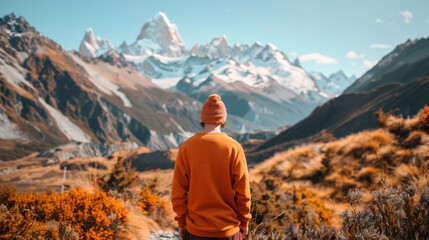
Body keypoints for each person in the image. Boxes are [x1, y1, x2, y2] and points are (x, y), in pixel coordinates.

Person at [171, 94, 251, 240]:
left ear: (203, 118)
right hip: (228, 231)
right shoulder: (234, 147)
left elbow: (178, 191)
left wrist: (181, 222)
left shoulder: (186, 147)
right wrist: (244, 221)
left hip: (196, 231)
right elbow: (243, 192)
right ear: (223, 119)